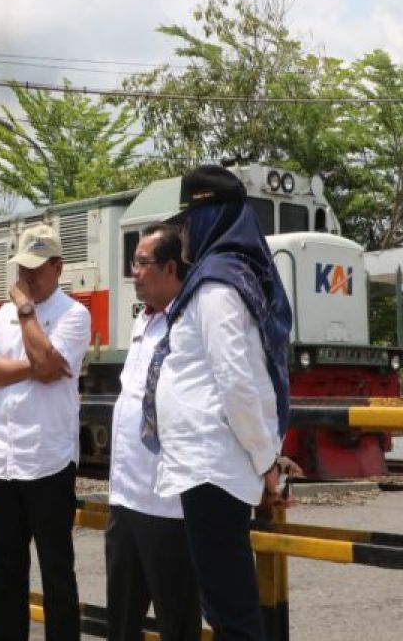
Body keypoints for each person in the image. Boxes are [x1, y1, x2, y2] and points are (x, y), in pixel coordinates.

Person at [143, 164, 300, 641]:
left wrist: (265, 460)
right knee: (229, 604)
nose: (183, 233)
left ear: (210, 220)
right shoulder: (226, 277)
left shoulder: (214, 285)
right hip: (214, 465)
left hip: (213, 467)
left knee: (231, 613)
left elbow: (235, 381)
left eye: (188, 222)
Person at [0, 224, 91, 640]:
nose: (25, 278)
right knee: (6, 570)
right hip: (3, 459)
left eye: (35, 269)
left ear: (58, 267)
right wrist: (38, 368)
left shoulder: (74, 315)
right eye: (22, 268)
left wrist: (27, 313)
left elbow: (49, 365)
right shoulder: (2, 314)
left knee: (56, 572)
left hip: (48, 459)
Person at [105, 223, 200, 641]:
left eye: (141, 263)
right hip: (126, 498)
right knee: (122, 621)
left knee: (176, 620)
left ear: (169, 268)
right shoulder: (142, 321)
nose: (133, 272)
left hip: (168, 504)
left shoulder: (191, 321)